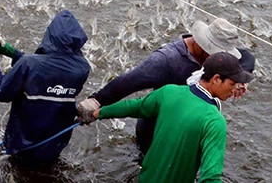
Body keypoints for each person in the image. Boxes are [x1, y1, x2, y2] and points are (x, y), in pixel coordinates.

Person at [76, 17, 255, 154]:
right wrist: (96, 101)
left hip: (187, 128)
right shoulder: (166, 60)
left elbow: (247, 58)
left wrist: (239, 81)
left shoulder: (216, 60)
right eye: (214, 53)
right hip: (157, 131)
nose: (218, 59)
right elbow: (127, 82)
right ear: (201, 44)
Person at [92, 52, 254, 183]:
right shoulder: (214, 121)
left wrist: (100, 112)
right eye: (233, 84)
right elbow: (210, 177)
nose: (235, 89)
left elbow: (135, 106)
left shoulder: (169, 92)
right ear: (217, 79)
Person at [0, 10, 91, 165]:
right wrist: (14, 54)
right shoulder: (82, 69)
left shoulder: (29, 64)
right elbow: (46, 71)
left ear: (50, 35)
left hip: (22, 144)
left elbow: (1, 91)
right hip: (54, 145)